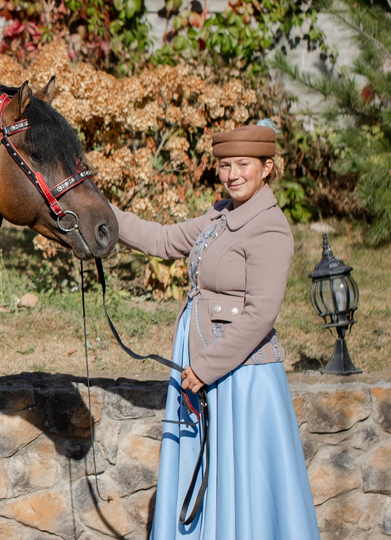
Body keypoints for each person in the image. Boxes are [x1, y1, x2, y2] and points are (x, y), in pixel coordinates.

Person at [110, 122, 320, 539]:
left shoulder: (270, 228)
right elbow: (164, 239)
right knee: (206, 467)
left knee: (241, 477)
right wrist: (100, 210)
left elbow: (261, 313)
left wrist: (206, 367)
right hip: (205, 367)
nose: (233, 174)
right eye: (225, 165)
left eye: (244, 164)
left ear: (267, 168)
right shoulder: (220, 215)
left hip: (241, 377)